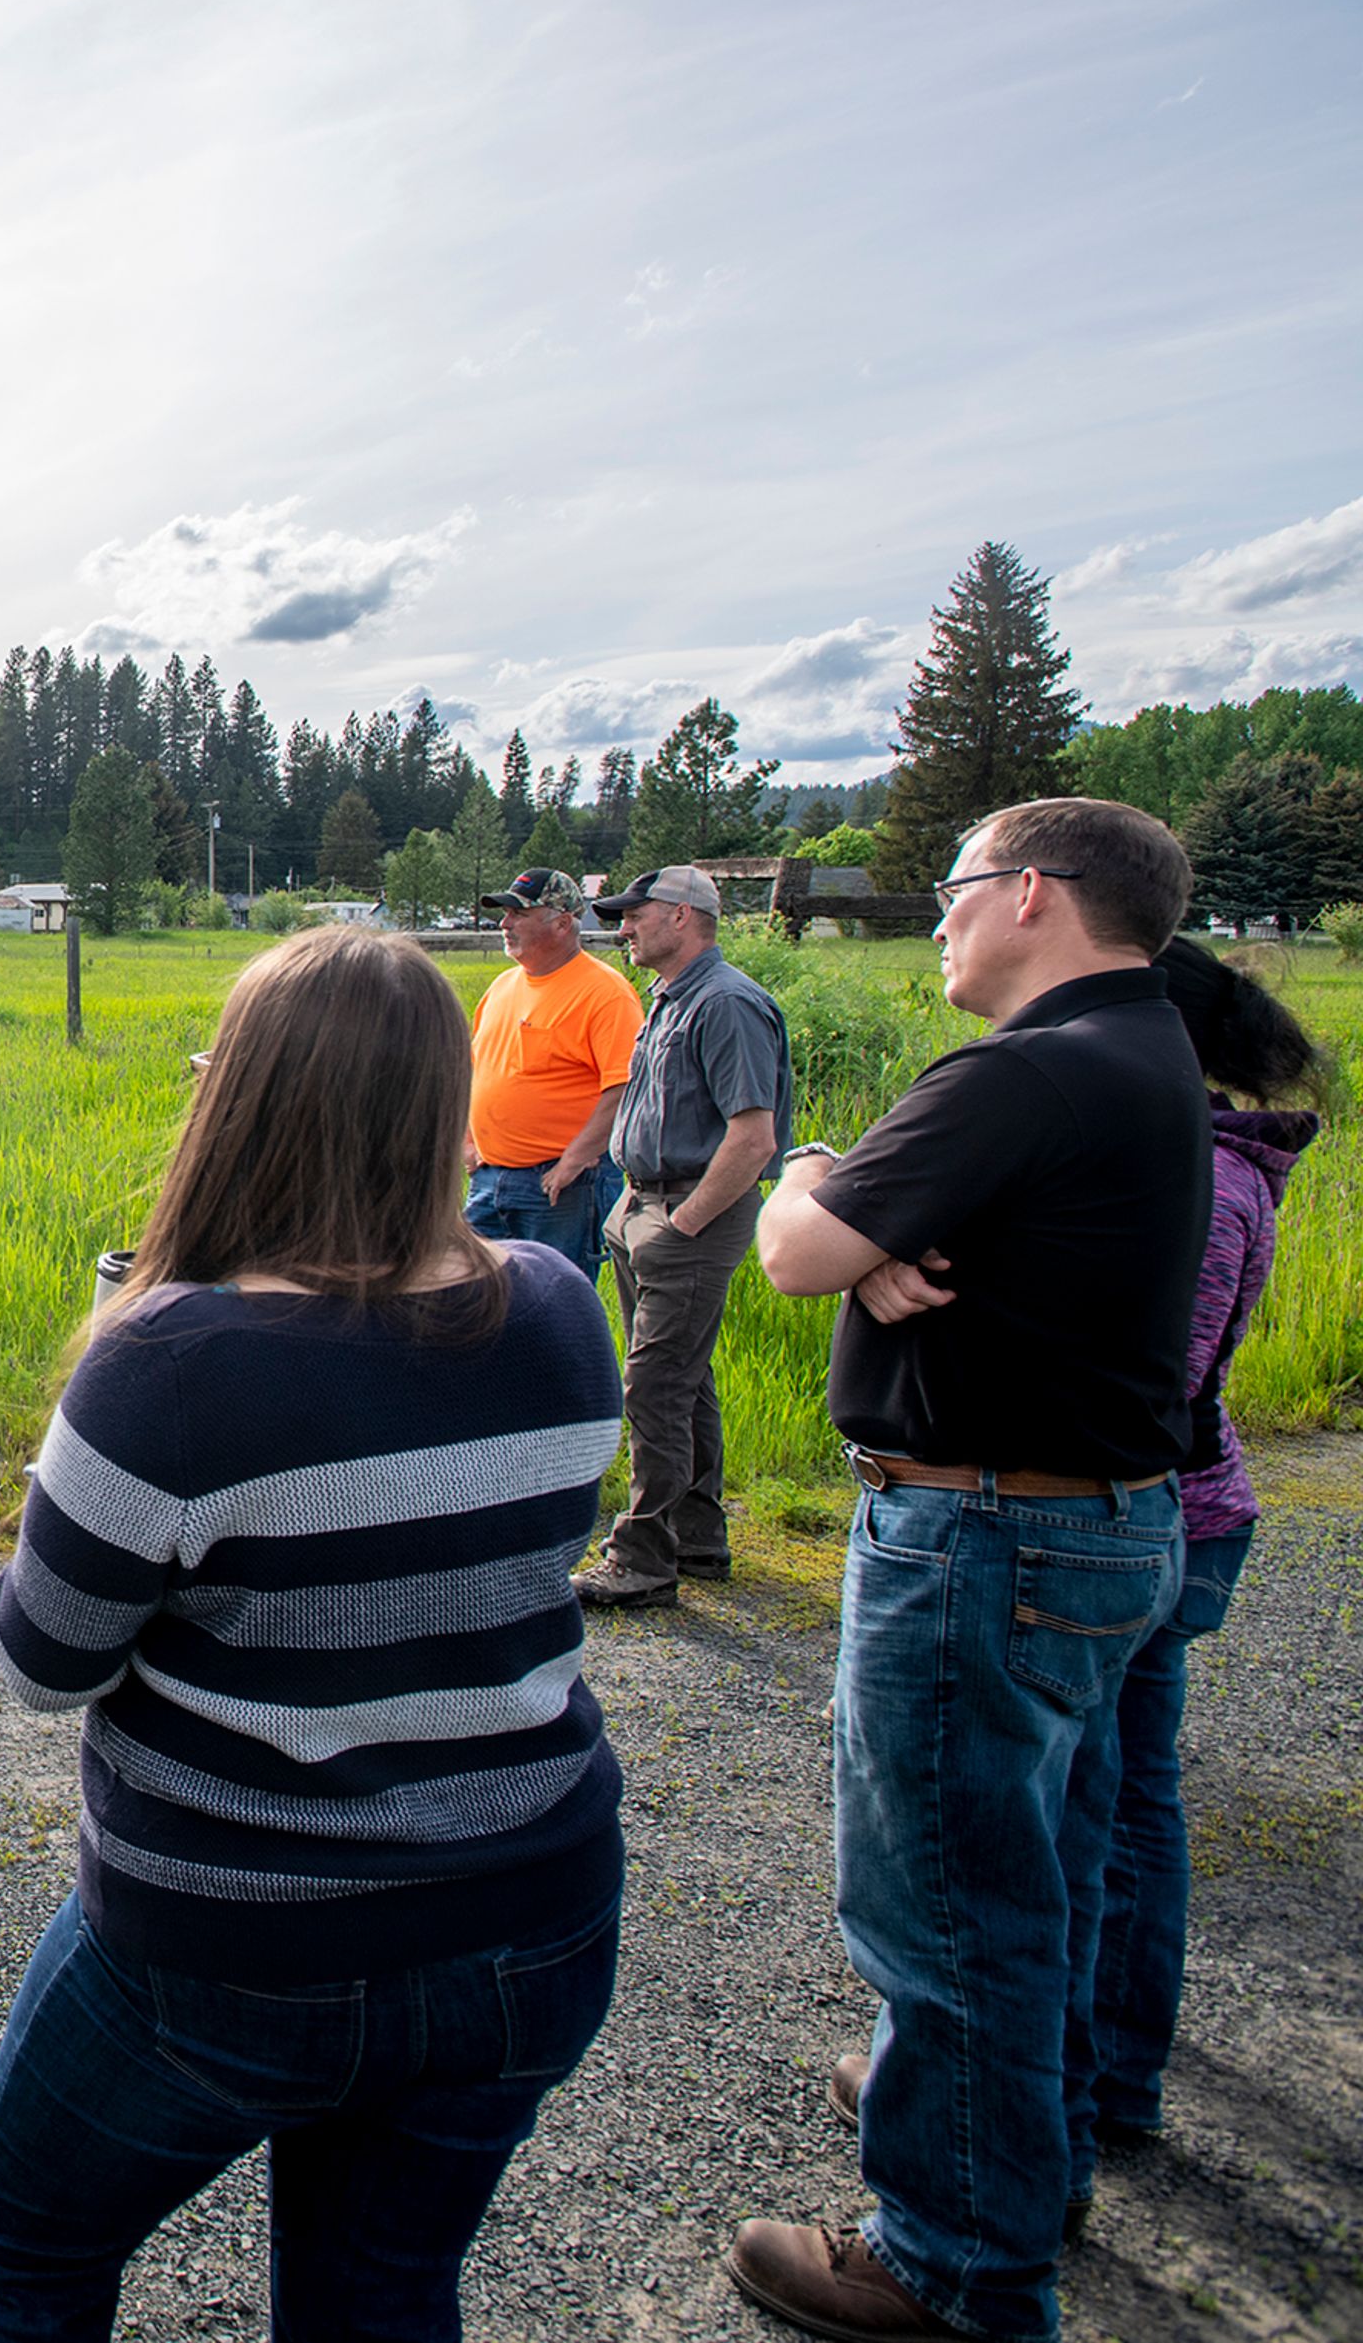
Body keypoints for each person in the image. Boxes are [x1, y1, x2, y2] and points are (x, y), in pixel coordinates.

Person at [0, 927, 625, 2343]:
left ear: (237, 1096)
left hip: (231, 1944)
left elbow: (43, 1660)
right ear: (442, 1102)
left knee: (23, 2243)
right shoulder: (561, 1310)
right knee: (379, 2290)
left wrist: (103, 1367)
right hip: (531, 1913)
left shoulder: (171, 1367)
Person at [730, 798, 1211, 2343]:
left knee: (946, 1910)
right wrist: (848, 1195)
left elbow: (793, 1249)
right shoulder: (1147, 1058)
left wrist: (816, 1187)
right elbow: (856, 1225)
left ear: (1031, 896)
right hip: (1098, 1520)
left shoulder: (1032, 1072)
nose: (936, 915)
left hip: (985, 1534)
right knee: (1042, 1874)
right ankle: (1021, 2147)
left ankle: (953, 2263)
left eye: (954, 887)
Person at [1089, 939, 1320, 2151]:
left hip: (1161, 1510)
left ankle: (1104, 2074)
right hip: (1182, 1504)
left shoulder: (1206, 1181)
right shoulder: (1205, 1160)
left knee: (1116, 1803)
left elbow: (1149, 1387)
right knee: (1120, 1791)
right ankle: (1084, 2064)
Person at [574, 862, 794, 1608]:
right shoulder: (672, 998)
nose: (624, 926)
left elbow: (753, 1136)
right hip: (644, 1205)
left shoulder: (728, 1004)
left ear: (681, 915)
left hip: (686, 1213)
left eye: (636, 913)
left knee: (655, 1386)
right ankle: (696, 1535)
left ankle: (640, 1559)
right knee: (683, 1381)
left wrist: (685, 1222)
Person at [463, 864, 641, 1281]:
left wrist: (573, 1162)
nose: (505, 924)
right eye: (505, 914)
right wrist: (467, 1142)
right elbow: (474, 1072)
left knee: (553, 1305)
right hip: (489, 1178)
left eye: (520, 914)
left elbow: (623, 1087)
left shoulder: (605, 994)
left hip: (560, 1187)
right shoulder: (503, 988)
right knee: (470, 1298)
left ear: (563, 924)